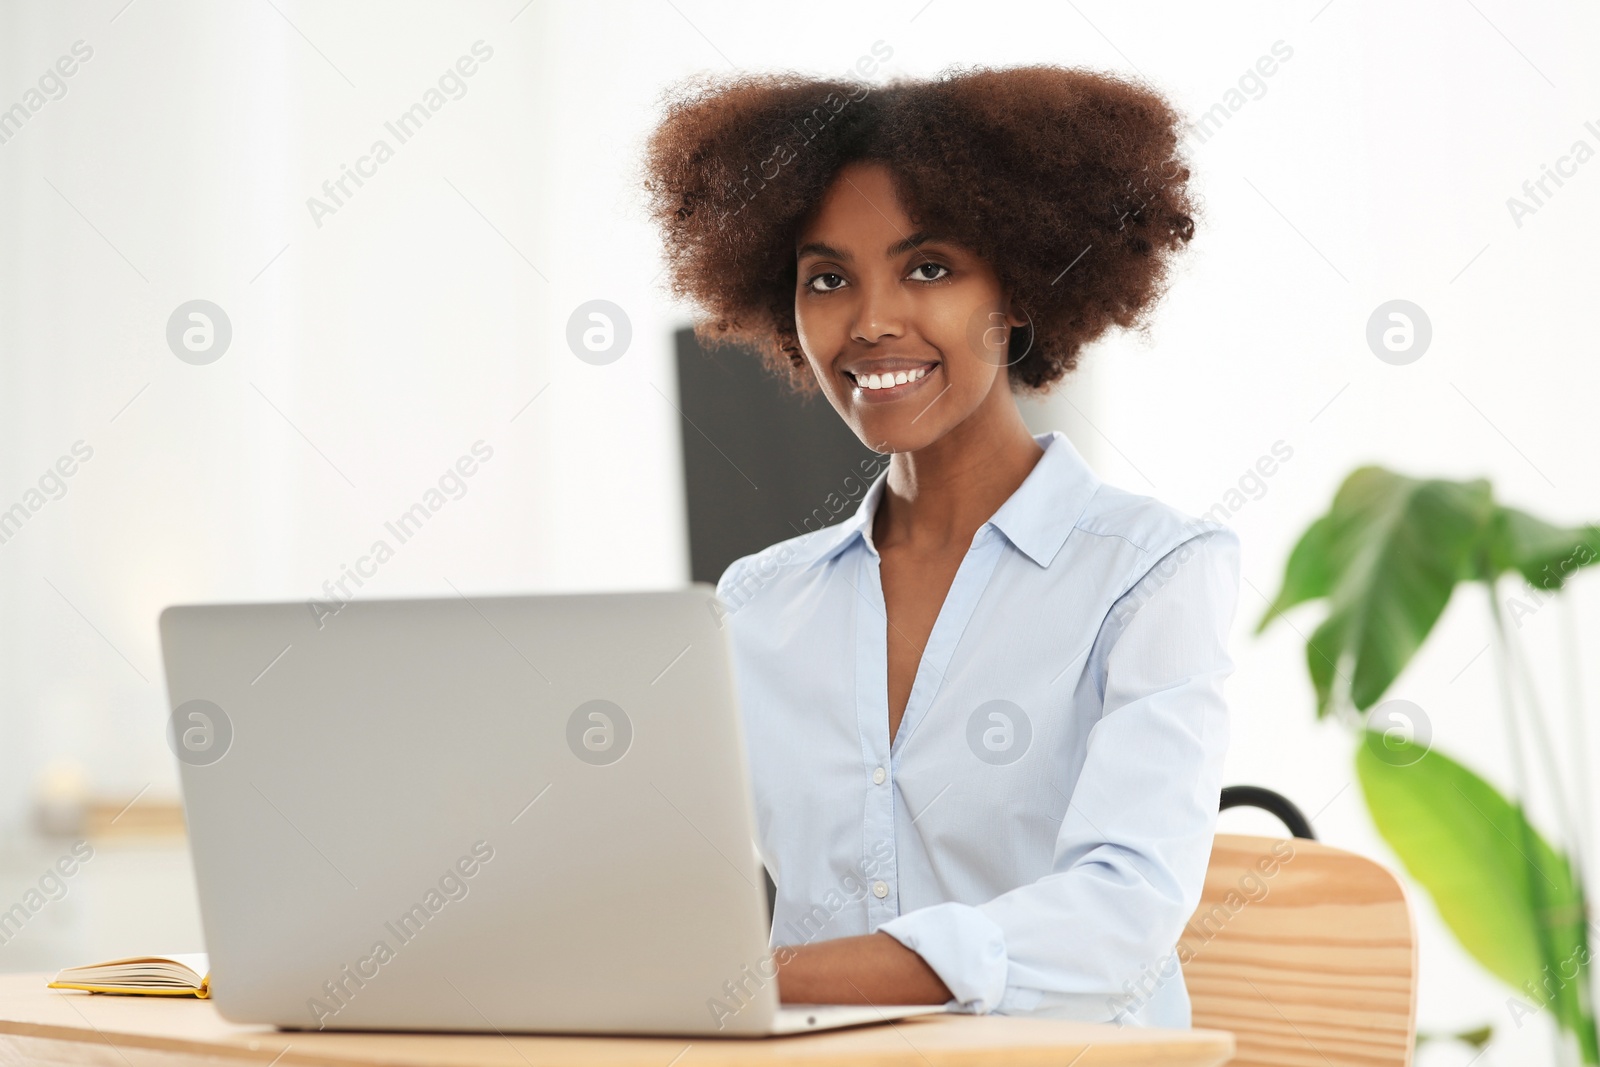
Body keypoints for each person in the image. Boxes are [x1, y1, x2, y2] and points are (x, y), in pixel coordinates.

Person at [641, 63, 1241, 1027]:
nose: (872, 319)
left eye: (928, 268)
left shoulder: (1150, 570)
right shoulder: (758, 603)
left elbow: (1122, 911)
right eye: (828, 277)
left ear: (1019, 288)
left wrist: (772, 976)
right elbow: (670, 888)